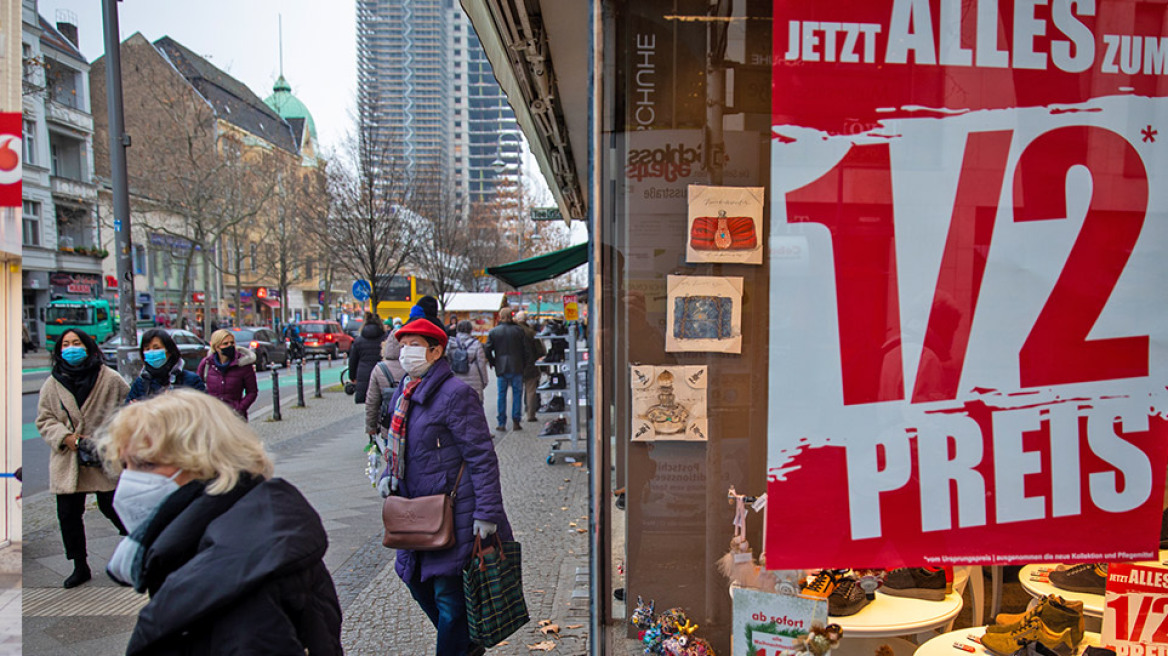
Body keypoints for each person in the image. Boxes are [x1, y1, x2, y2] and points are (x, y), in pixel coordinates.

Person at [96, 389, 342, 654]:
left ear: (202, 461)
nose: (130, 481)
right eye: (126, 465)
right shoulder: (221, 542)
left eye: (146, 464)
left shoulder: (240, 579)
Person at [376, 319, 512, 656]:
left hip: (455, 512)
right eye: (403, 344)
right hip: (414, 514)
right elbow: (398, 444)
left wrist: (487, 512)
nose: (406, 352)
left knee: (449, 602)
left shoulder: (456, 394)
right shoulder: (403, 391)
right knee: (416, 583)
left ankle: (458, 647)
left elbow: (481, 456)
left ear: (436, 351)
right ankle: (466, 646)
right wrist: (386, 472)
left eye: (414, 345)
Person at [35, 329, 130, 588]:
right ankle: (80, 564)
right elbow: (44, 419)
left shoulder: (110, 379)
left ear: (88, 347)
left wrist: (110, 438)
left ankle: (138, 544)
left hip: (102, 455)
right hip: (69, 458)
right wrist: (65, 437)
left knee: (112, 506)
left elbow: (130, 410)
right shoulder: (53, 383)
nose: (71, 348)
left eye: (76, 343)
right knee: (68, 514)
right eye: (65, 344)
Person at [484, 306, 532, 433]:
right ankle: (516, 420)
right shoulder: (518, 330)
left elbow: (487, 349)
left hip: (501, 366)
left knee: (501, 395)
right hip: (517, 365)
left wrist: (493, 361)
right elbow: (526, 350)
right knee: (517, 394)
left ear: (500, 316)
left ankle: (501, 422)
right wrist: (524, 363)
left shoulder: (494, 332)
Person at [126, 329, 206, 403]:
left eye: (156, 348)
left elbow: (203, 411)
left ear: (169, 351)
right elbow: (127, 411)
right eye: (147, 349)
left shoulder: (191, 380)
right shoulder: (140, 382)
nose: (152, 352)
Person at [197, 329, 259, 421]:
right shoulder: (207, 364)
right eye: (225, 344)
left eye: (232, 343)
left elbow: (252, 392)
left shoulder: (243, 365)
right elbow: (197, 387)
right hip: (212, 417)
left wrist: (239, 408)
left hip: (235, 418)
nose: (230, 346)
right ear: (216, 347)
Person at [515, 311, 546, 423]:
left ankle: (516, 417)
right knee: (531, 391)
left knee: (516, 391)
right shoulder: (531, 333)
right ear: (526, 319)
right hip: (530, 365)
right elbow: (540, 351)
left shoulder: (513, 332)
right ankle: (530, 414)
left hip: (514, 366)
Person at [349, 311, 386, 404]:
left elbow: (352, 361)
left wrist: (352, 377)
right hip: (382, 374)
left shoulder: (358, 341)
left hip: (364, 375)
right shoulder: (386, 339)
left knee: (368, 405)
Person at [450, 320, 489, 403]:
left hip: (456, 379)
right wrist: (484, 381)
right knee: (475, 409)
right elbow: (481, 363)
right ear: (471, 330)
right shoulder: (476, 344)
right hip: (474, 380)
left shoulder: (451, 343)